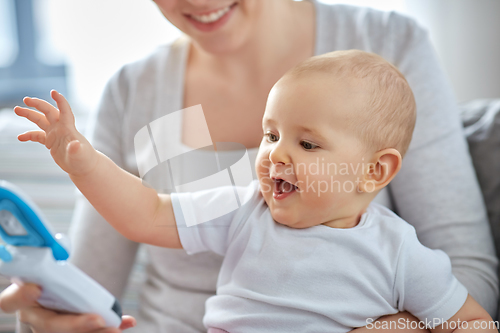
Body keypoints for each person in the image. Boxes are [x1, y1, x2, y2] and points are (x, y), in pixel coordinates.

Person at [0, 0, 497, 332]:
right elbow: (147, 212)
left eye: (307, 143)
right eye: (270, 134)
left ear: (375, 171)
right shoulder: (244, 208)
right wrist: (82, 163)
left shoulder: (398, 252)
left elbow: (472, 318)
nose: (276, 155)